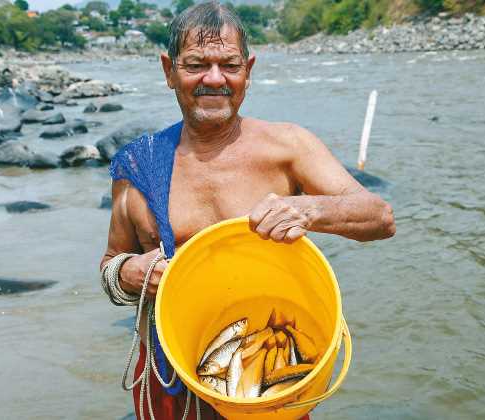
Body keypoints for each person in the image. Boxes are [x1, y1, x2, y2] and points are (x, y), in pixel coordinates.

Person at [100, 2, 395, 418]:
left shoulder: (289, 147)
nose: (214, 79)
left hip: (267, 374)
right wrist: (128, 272)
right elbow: (111, 265)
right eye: (196, 65)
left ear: (248, 70)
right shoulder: (138, 165)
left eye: (230, 65)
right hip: (170, 382)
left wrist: (309, 209)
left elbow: (379, 217)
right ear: (169, 71)